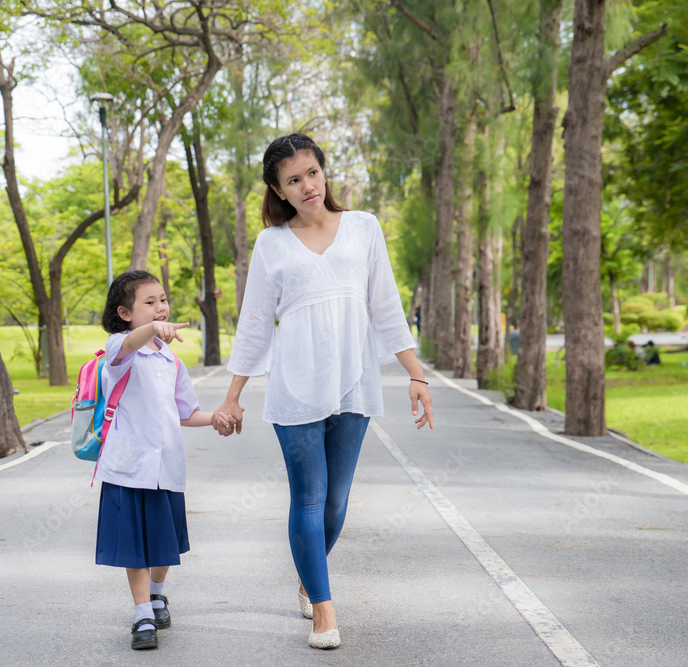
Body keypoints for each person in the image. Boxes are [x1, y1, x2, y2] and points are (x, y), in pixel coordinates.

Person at [213, 133, 434, 650]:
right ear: (278, 189)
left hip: (354, 382)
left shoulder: (363, 228)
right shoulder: (271, 243)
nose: (307, 185)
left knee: (336, 503)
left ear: (323, 172)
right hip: (297, 386)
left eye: (312, 172)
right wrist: (232, 395)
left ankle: (309, 575)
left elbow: (386, 307)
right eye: (293, 179)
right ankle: (324, 612)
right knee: (309, 499)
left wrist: (416, 375)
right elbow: (254, 325)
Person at [95, 270, 230, 651]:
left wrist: (216, 418)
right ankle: (142, 615)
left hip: (167, 465)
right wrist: (154, 328)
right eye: (149, 303)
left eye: (163, 300)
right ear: (125, 313)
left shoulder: (171, 360)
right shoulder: (118, 347)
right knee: (134, 544)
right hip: (129, 467)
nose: (160, 308)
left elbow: (186, 412)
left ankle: (158, 593)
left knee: (163, 539)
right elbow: (132, 344)